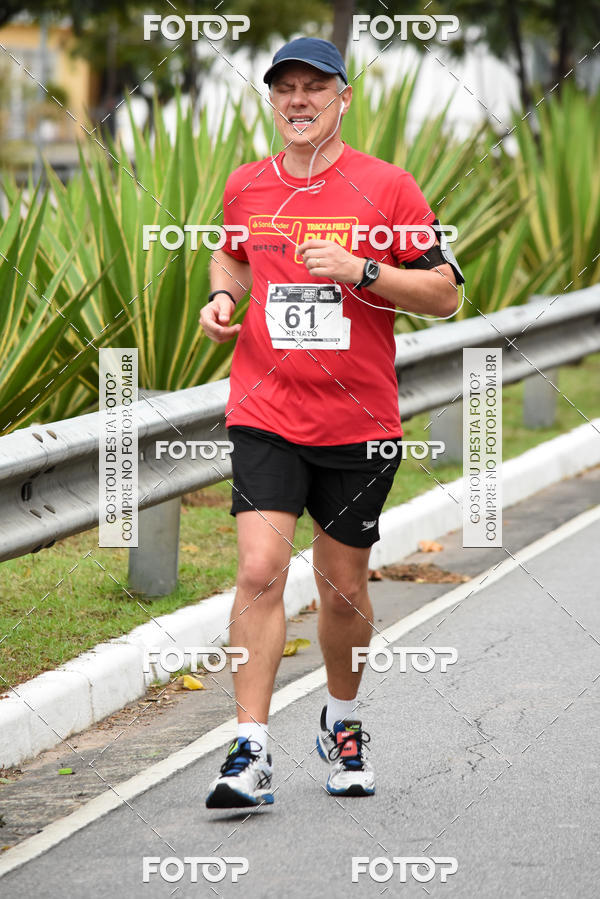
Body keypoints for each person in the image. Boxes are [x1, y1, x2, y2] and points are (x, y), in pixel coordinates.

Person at [200, 37, 464, 808]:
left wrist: (363, 271)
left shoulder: (388, 188)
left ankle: (343, 721)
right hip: (266, 410)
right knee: (258, 570)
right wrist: (223, 299)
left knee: (343, 589)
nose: (299, 101)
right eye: (285, 88)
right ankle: (249, 749)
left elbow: (446, 292)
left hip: (359, 418)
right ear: (273, 100)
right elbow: (233, 257)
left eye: (315, 87)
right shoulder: (246, 185)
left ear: (343, 98)